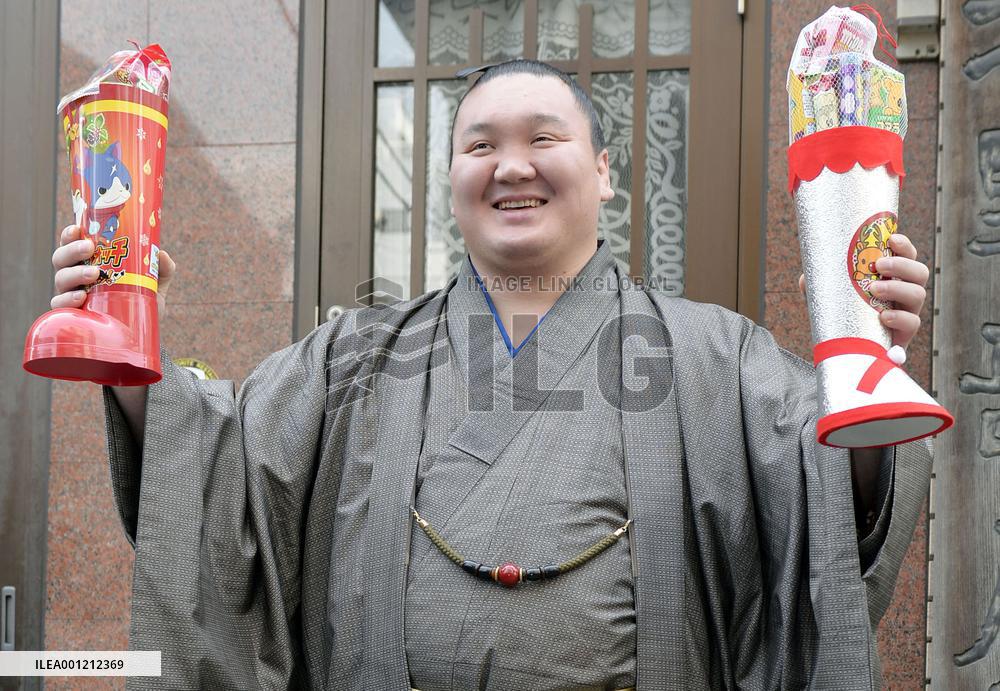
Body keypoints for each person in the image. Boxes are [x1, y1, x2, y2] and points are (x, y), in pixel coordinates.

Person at [51, 60, 932, 690]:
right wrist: (124, 328)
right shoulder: (355, 355)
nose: (512, 165)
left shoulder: (714, 354)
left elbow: (828, 502)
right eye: (481, 146)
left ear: (603, 173)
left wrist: (868, 355)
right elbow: (219, 478)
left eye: (544, 138)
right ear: (452, 179)